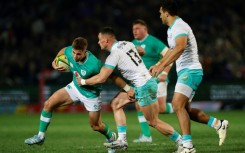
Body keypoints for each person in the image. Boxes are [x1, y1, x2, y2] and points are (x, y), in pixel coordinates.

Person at [75, 27, 183, 151]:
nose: (98, 42)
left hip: (144, 86)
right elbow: (140, 50)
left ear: (106, 40)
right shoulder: (127, 43)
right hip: (140, 84)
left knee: (153, 122)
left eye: (99, 40)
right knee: (116, 103)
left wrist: (83, 81)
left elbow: (102, 78)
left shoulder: (114, 55)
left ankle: (182, 141)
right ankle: (122, 140)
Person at [24, 37, 131, 153]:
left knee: (96, 126)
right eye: (73, 53)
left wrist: (127, 88)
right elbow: (64, 49)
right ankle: (40, 137)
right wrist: (55, 61)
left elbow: (112, 76)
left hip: (91, 95)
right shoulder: (70, 51)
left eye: (78, 54)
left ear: (85, 51)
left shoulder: (94, 64)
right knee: (48, 104)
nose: (75, 56)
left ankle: (111, 137)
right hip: (75, 88)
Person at [150, 1, 229, 152]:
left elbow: (180, 47)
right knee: (185, 110)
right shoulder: (171, 29)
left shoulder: (179, 26)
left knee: (176, 104)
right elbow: (172, 51)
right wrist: (160, 63)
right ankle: (219, 124)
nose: (159, 15)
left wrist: (161, 67)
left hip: (191, 71)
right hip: (184, 72)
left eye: (160, 12)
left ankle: (188, 146)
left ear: (166, 12)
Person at [131, 19, 174, 143]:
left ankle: (178, 106)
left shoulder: (153, 42)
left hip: (157, 78)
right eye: (133, 29)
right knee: (139, 106)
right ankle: (146, 136)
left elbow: (170, 55)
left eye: (137, 29)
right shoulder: (132, 44)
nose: (135, 31)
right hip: (141, 82)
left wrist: (164, 72)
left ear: (145, 29)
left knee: (160, 108)